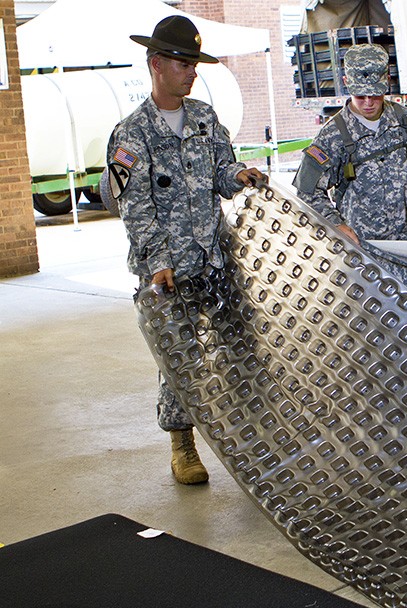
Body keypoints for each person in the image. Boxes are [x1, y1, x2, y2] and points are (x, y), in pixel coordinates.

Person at [106, 15, 266, 485]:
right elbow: (133, 208)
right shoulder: (130, 136)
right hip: (167, 270)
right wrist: (158, 262)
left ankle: (257, 441)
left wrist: (237, 176)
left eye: (194, 62)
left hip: (214, 260)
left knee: (242, 350)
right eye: (181, 62)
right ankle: (182, 446)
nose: (191, 71)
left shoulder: (204, 117)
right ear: (156, 64)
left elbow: (221, 168)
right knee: (180, 358)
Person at [292, 44, 407, 242]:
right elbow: (308, 192)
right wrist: (336, 224)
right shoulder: (333, 135)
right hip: (364, 250)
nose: (368, 103)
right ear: (346, 83)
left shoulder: (404, 120)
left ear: (387, 81)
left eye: (375, 95)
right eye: (360, 96)